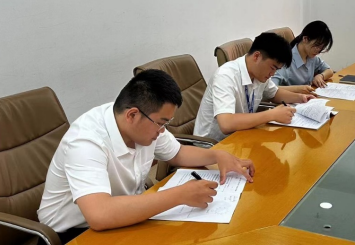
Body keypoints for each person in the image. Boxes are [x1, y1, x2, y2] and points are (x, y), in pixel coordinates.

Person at [38, 69, 254, 243]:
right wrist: (179, 195)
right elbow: (99, 215)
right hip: (74, 233)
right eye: (161, 123)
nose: (162, 131)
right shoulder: (86, 142)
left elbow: (178, 153)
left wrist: (217, 155)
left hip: (124, 215)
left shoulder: (142, 122)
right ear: (132, 115)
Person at [194, 32, 315, 142]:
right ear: (257, 56)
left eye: (277, 70)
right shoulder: (225, 75)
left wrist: (301, 98)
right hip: (212, 145)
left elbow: (275, 93)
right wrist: (272, 115)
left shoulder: (259, 74)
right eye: (272, 68)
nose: (273, 74)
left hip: (241, 135)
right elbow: (226, 124)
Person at [271, 21, 333, 94]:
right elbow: (271, 88)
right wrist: (299, 89)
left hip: (307, 97)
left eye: (321, 48)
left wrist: (320, 76)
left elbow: (329, 70)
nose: (318, 51)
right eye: (317, 46)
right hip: (290, 99)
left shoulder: (311, 57)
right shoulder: (285, 60)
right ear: (305, 39)